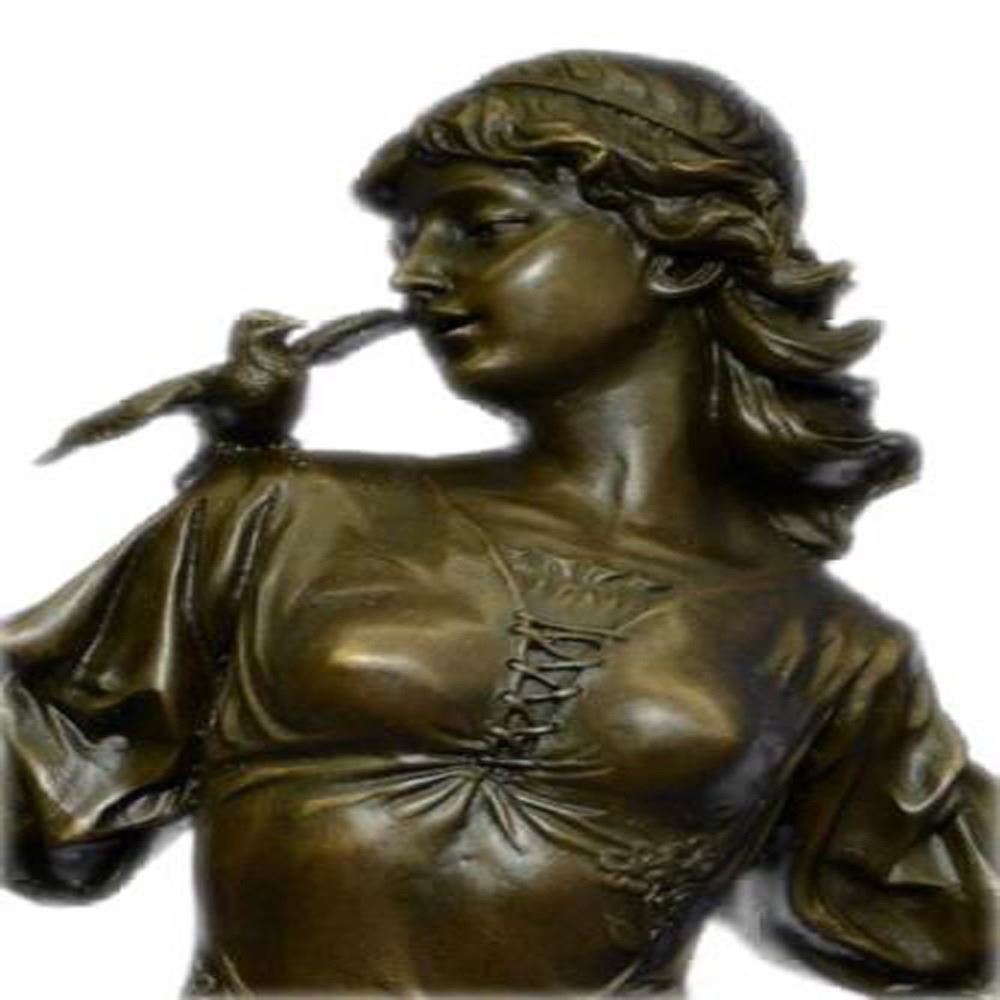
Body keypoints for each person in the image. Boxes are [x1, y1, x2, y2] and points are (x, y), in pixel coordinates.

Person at [1, 51, 995, 996]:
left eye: (482, 227)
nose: (413, 276)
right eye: (409, 241)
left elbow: (954, 927)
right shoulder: (278, 513)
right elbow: (44, 793)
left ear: (678, 252)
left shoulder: (828, 646)